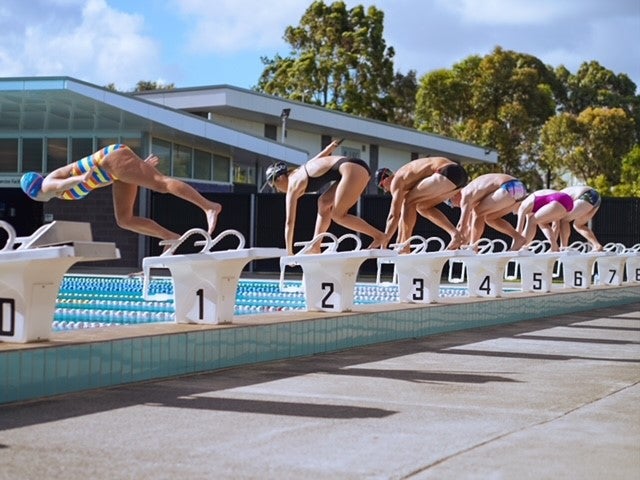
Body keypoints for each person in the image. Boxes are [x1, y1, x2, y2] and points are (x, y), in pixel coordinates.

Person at [20, 144, 222, 243]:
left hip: (109, 160)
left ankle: (209, 206)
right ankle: (170, 237)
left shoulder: (47, 186)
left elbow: (63, 183)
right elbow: (96, 181)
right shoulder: (57, 193)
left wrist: (81, 179)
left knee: (160, 184)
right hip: (113, 173)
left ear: (33, 194)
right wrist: (138, 168)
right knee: (124, 219)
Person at [266, 139, 385, 255]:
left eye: (275, 186)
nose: (277, 190)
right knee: (323, 202)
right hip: (354, 168)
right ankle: (316, 246)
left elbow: (289, 222)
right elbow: (323, 154)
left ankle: (379, 236)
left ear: (280, 178)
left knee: (338, 215)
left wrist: (289, 252)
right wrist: (332, 145)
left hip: (353, 170)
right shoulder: (300, 170)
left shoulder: (293, 184)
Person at [375, 157, 468, 249]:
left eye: (382, 187)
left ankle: (405, 246)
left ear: (385, 180)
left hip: (446, 172)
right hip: (461, 176)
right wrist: (399, 239)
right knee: (421, 207)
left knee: (409, 200)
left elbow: (393, 216)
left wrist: (384, 241)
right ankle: (455, 234)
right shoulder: (408, 178)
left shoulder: (397, 181)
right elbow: (402, 216)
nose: (386, 190)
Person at [445, 173, 528, 250]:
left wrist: (451, 247)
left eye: (450, 203)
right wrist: (463, 243)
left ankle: (473, 246)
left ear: (453, 195)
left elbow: (462, 226)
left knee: (478, 211)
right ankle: (518, 238)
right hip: (520, 189)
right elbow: (469, 227)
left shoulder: (465, 195)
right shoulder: (474, 197)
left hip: (509, 187)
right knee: (490, 218)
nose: (453, 206)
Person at [557, 185, 603, 251]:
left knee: (563, 220)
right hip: (596, 197)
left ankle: (563, 247)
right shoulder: (560, 194)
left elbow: (555, 226)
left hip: (586, 195)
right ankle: (597, 245)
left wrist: (553, 245)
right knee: (578, 225)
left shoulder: (555, 200)